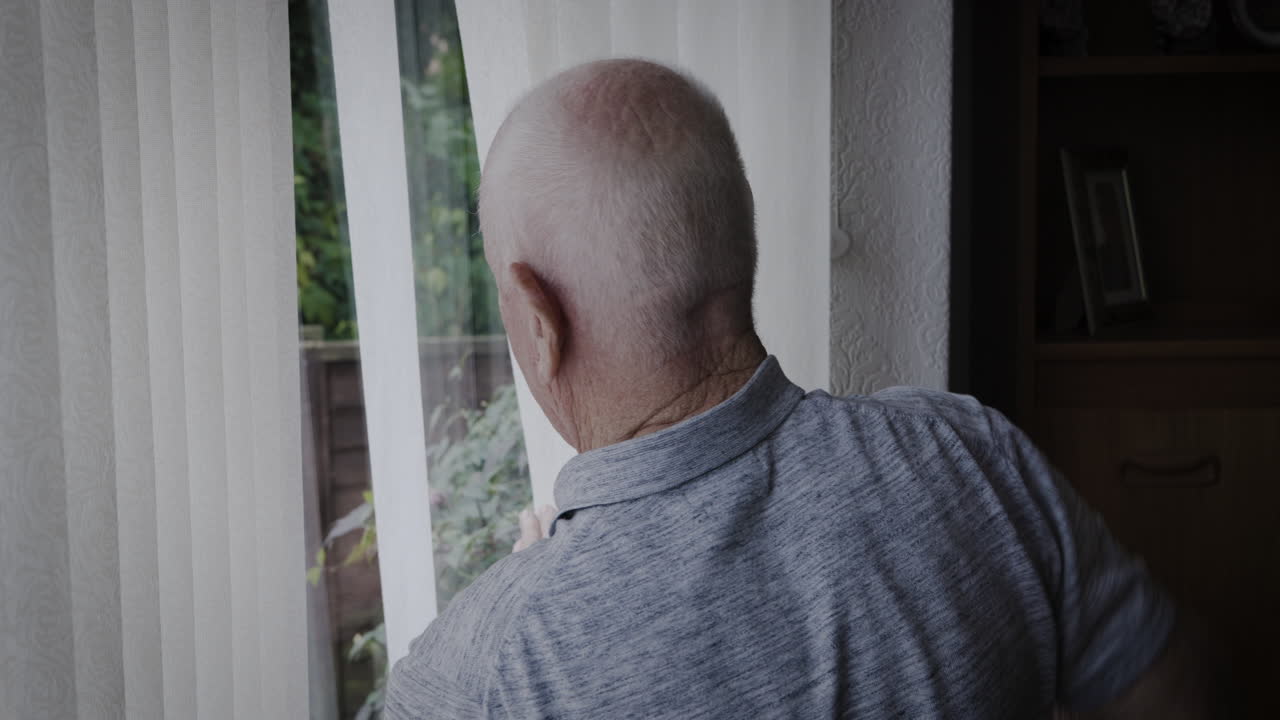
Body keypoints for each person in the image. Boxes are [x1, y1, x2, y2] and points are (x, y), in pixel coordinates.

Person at [384, 59, 1207, 719]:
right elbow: (1170, 692)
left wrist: (542, 591)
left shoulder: (484, 670)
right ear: (735, 248)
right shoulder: (969, 454)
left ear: (538, 316)